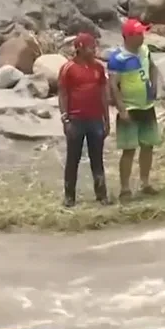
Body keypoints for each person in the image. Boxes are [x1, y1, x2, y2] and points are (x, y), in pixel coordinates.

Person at [106, 18, 162, 200]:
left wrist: (154, 84)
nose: (142, 37)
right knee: (129, 149)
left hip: (147, 105)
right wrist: (121, 109)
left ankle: (145, 183)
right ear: (129, 37)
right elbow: (113, 86)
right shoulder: (117, 59)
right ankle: (124, 188)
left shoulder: (145, 51)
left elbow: (153, 68)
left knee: (148, 145)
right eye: (139, 34)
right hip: (130, 107)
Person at [57, 32, 110, 207]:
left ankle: (101, 194)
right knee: (73, 159)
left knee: (97, 158)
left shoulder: (98, 68)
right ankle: (69, 196)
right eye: (91, 47)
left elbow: (103, 93)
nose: (94, 50)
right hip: (75, 119)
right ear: (80, 49)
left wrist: (106, 118)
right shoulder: (68, 69)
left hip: (95, 119)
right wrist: (65, 119)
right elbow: (63, 94)